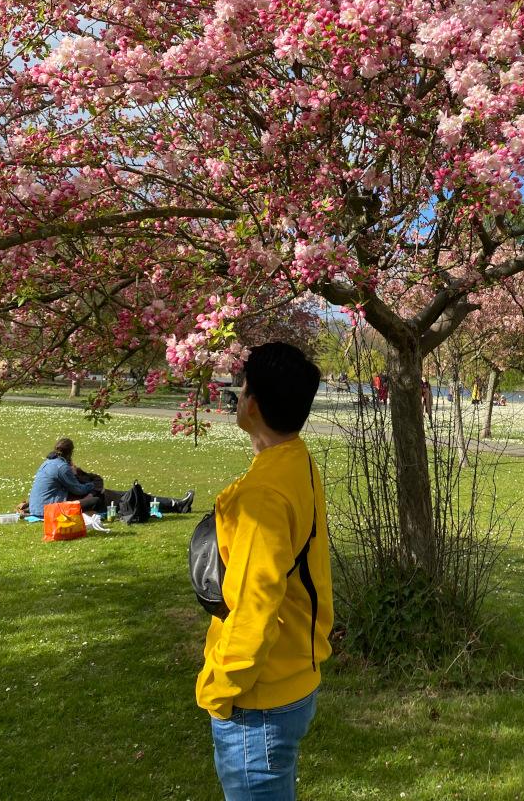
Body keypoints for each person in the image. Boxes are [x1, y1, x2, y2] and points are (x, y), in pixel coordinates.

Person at [196, 342, 333, 801]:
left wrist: (220, 688)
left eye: (241, 388)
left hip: (258, 702)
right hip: (295, 675)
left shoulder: (263, 496)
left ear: (251, 404)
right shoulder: (297, 460)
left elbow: (256, 608)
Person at [27, 437, 193, 517]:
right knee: (111, 497)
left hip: (41, 507)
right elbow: (78, 488)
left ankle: (175, 504)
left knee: (118, 496)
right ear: (71, 452)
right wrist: (93, 486)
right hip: (51, 510)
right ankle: (175, 504)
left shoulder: (48, 462)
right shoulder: (61, 467)